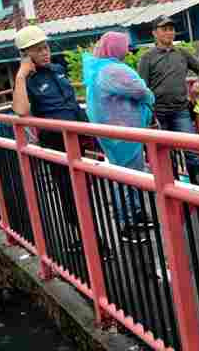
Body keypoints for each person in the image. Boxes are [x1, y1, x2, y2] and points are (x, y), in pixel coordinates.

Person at [11, 25, 89, 244]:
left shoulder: (57, 70)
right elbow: (21, 110)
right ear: (25, 55)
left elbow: (72, 103)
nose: (45, 52)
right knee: (68, 191)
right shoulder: (27, 80)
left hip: (79, 136)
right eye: (38, 50)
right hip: (57, 143)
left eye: (45, 47)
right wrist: (21, 75)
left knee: (85, 188)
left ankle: (88, 233)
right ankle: (87, 238)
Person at [84, 32, 155, 243]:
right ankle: (127, 223)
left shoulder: (99, 68)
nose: (127, 50)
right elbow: (140, 90)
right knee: (126, 176)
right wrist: (149, 96)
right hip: (123, 133)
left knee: (128, 173)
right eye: (124, 46)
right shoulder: (112, 70)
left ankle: (136, 213)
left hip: (115, 131)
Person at [138, 16, 199, 184]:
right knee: (167, 156)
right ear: (155, 33)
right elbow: (142, 87)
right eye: (164, 29)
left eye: (171, 29)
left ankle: (198, 190)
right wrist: (148, 116)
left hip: (181, 111)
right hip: (158, 114)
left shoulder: (182, 53)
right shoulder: (147, 57)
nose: (169, 32)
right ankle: (173, 192)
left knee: (192, 150)